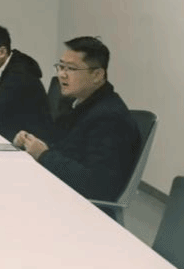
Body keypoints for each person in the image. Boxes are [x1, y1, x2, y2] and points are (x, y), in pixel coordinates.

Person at [14, 37, 140, 203]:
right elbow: (66, 149)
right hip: (60, 191)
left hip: (79, 206)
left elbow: (97, 185)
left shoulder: (109, 118)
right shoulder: (79, 104)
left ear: (97, 75)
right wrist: (32, 143)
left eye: (71, 69)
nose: (61, 74)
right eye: (61, 67)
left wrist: (44, 154)